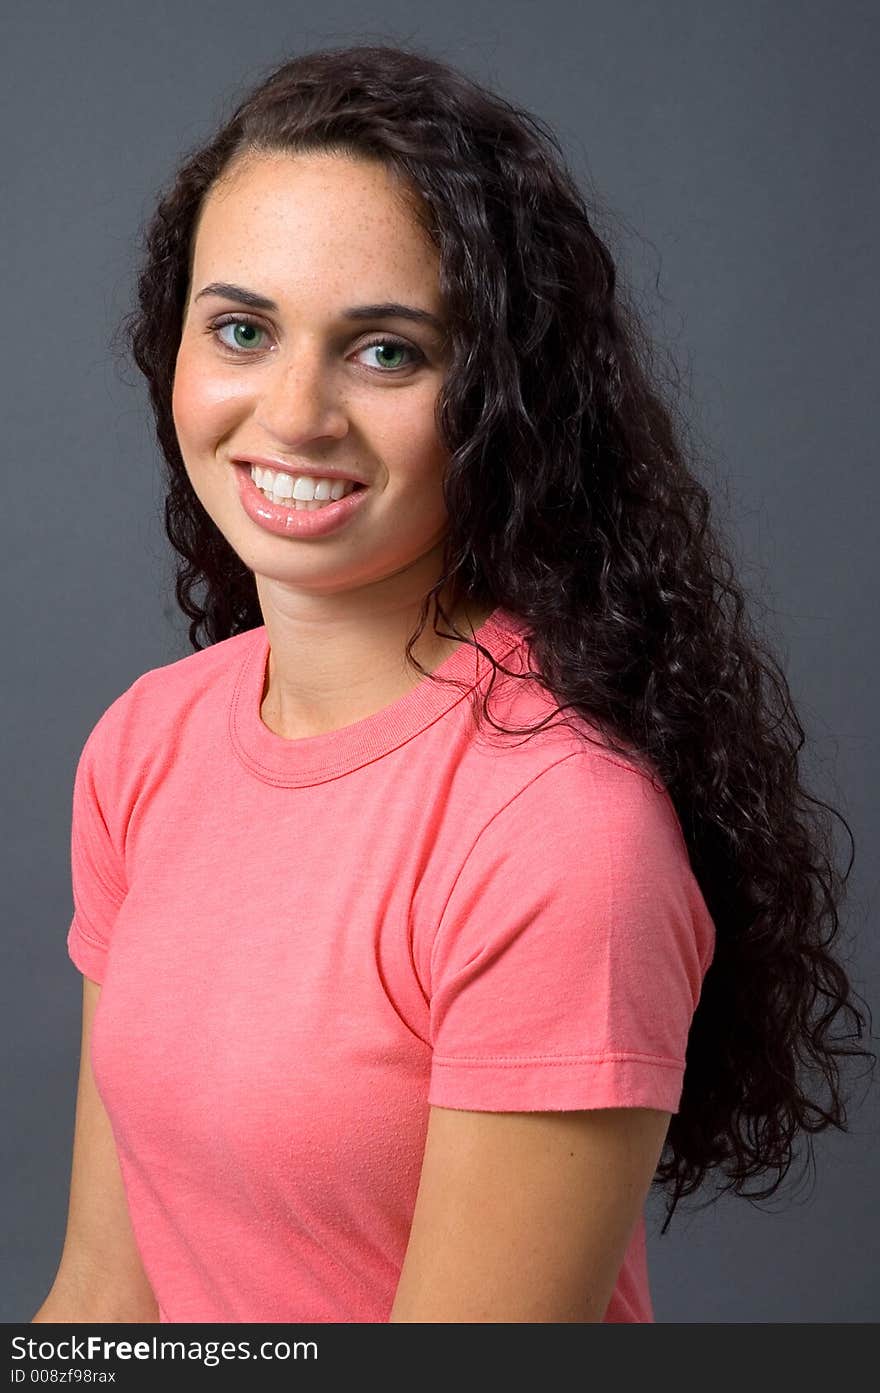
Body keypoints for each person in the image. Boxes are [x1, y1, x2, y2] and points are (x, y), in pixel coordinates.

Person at [32, 43, 873, 1325]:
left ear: (500, 397)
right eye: (244, 330)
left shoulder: (557, 835)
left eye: (384, 352)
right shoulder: (146, 746)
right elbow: (104, 1295)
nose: (294, 413)